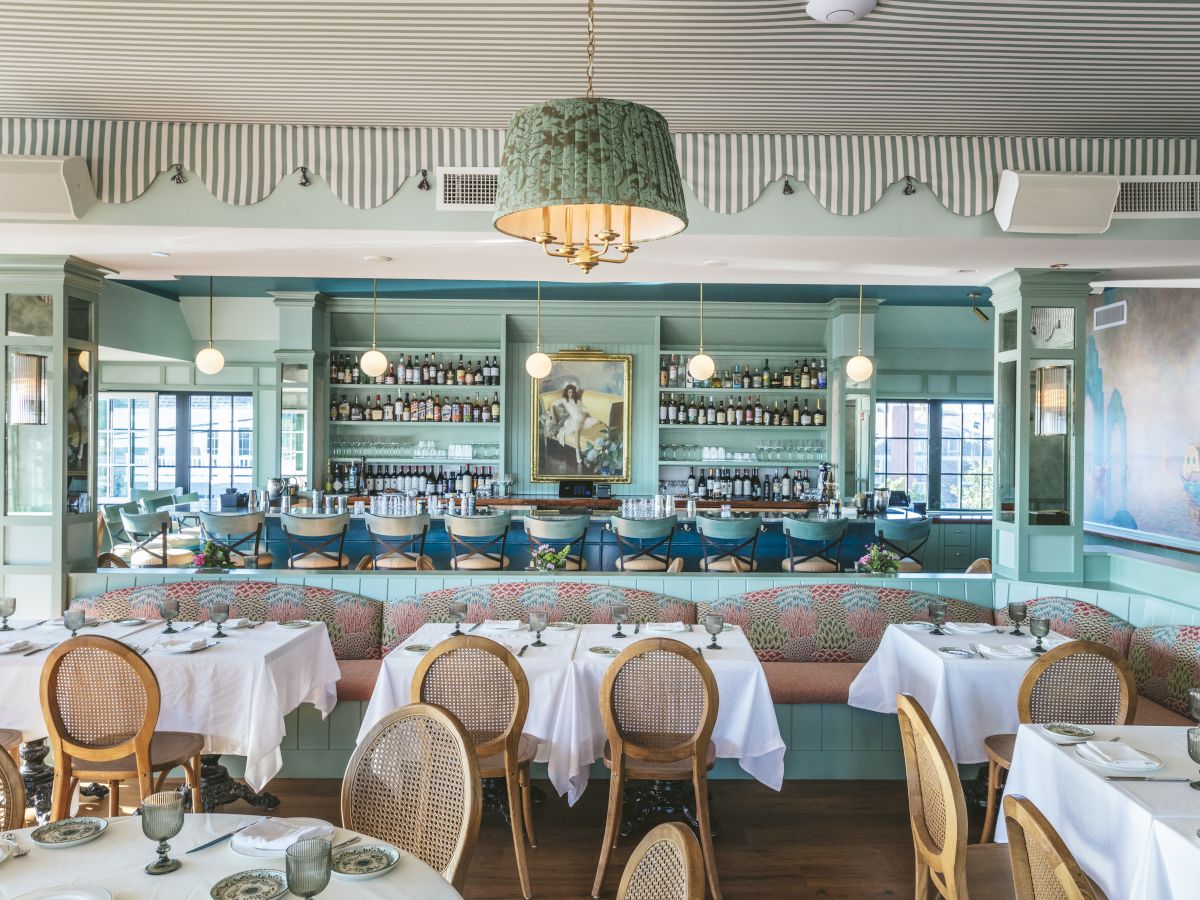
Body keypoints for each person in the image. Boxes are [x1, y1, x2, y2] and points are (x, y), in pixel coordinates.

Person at [548, 383, 599, 469]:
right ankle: (577, 454)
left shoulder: (577, 401)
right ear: (566, 393)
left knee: (597, 421)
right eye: (569, 392)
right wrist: (553, 417)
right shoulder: (564, 400)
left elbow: (584, 410)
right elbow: (551, 404)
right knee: (577, 428)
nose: (570, 394)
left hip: (582, 418)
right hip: (575, 420)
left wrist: (586, 414)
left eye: (572, 392)